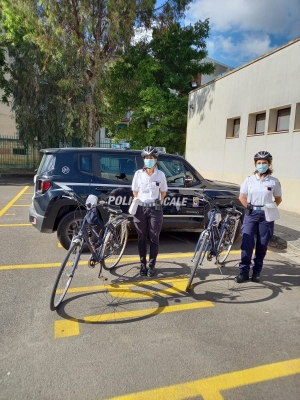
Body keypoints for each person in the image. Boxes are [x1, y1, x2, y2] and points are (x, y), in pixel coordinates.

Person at [235, 151, 282, 283]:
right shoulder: (249, 180)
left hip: (266, 216)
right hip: (251, 214)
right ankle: (243, 272)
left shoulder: (274, 181)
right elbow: (242, 197)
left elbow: (278, 198)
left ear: (269, 164)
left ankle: (256, 272)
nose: (261, 165)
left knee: (262, 245)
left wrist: (271, 207)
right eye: (259, 163)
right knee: (246, 243)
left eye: (264, 163)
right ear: (255, 165)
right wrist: (247, 206)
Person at [132, 146, 168, 277]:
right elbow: (135, 190)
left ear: (156, 160)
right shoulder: (138, 174)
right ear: (144, 159)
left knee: (154, 238)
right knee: (141, 238)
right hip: (140, 208)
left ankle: (152, 265)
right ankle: (143, 265)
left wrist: (159, 201)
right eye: (146, 158)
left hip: (155, 209)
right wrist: (138, 199)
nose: (149, 160)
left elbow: (163, 191)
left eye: (151, 158)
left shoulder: (161, 175)